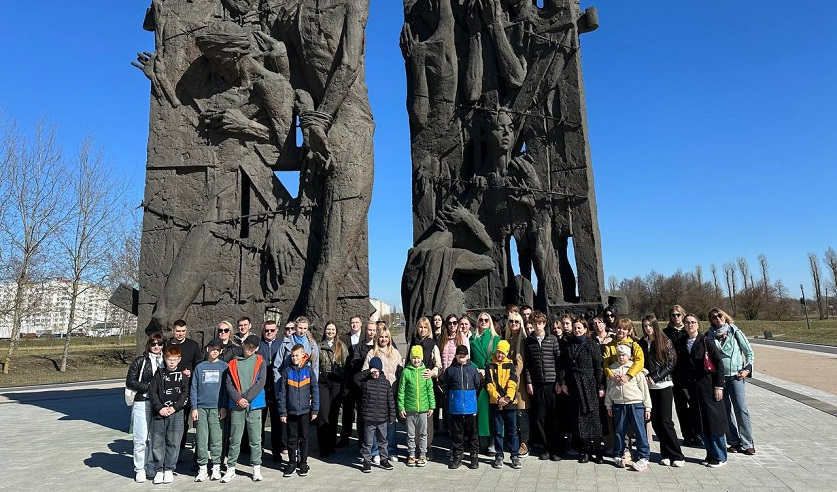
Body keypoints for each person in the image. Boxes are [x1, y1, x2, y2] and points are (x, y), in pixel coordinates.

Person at [675, 314, 728, 468]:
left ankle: (720, 456)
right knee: (701, 422)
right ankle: (710, 453)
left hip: (708, 386)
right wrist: (684, 387)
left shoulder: (706, 341)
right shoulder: (683, 343)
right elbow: (682, 367)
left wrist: (719, 386)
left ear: (698, 325)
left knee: (714, 421)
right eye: (687, 323)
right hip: (693, 388)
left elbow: (719, 364)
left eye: (693, 322)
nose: (690, 325)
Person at [708, 307, 756, 456]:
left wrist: (747, 369)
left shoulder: (735, 332)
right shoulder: (709, 335)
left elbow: (749, 352)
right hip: (719, 378)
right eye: (713, 317)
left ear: (725, 316)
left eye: (719, 315)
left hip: (736, 376)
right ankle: (733, 441)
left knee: (741, 409)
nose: (717, 319)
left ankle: (748, 443)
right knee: (725, 411)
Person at [638, 315, 684, 467]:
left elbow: (671, 363)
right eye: (645, 326)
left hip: (663, 385)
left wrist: (654, 377)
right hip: (649, 387)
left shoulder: (665, 341)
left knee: (665, 421)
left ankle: (677, 455)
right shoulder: (642, 342)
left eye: (650, 325)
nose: (648, 328)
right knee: (656, 422)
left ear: (655, 326)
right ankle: (666, 453)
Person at [558, 318, 604, 464]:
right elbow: (563, 366)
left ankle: (598, 451)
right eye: (575, 328)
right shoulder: (568, 346)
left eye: (579, 328)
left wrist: (600, 386)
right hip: (574, 385)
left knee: (593, 419)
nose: (577, 330)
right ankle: (586, 451)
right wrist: (562, 382)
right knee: (580, 420)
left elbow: (598, 367)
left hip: (589, 384)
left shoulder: (592, 345)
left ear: (585, 329)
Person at [222, 335, 267, 483]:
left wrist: (246, 398)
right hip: (237, 405)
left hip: (254, 405)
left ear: (257, 348)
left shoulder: (260, 361)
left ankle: (256, 468)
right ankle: (231, 469)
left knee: (255, 439)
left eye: (253, 347)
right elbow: (229, 384)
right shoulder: (233, 363)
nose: (250, 349)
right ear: (243, 345)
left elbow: (261, 382)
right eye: (248, 345)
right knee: (234, 438)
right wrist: (238, 399)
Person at [605, 344, 652, 472]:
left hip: (635, 403)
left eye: (624, 355)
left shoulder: (635, 370)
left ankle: (644, 456)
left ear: (629, 356)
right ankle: (619, 453)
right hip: (618, 404)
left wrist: (648, 407)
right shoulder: (612, 369)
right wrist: (608, 404)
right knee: (620, 431)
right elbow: (609, 388)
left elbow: (644, 390)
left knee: (639, 430)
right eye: (619, 355)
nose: (621, 357)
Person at [523, 310, 563, 461]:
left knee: (554, 417)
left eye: (540, 323)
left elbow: (559, 361)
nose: (537, 326)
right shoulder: (529, 341)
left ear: (544, 324)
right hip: (538, 384)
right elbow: (527, 364)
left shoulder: (552, 339)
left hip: (552, 383)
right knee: (540, 417)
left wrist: (559, 381)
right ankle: (546, 448)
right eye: (535, 324)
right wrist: (529, 382)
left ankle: (555, 449)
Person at [126, 332, 164, 482]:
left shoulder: (165, 360)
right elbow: (130, 381)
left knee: (154, 438)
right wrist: (149, 388)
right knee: (141, 438)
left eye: (159, 343)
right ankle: (140, 468)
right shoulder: (141, 361)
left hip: (158, 403)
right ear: (149, 345)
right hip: (142, 401)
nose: (156, 346)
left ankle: (151, 466)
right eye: (153, 344)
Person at [149, 345, 189, 484]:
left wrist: (175, 408)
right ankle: (159, 469)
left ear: (179, 360)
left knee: (173, 441)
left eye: (174, 359)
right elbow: (152, 392)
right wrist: (159, 408)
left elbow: (185, 394)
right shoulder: (159, 374)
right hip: (159, 413)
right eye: (169, 359)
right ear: (165, 359)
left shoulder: (183, 376)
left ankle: (169, 469)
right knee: (158, 442)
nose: (171, 362)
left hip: (176, 413)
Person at [278, 344, 320, 477]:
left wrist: (315, 409)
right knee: (292, 439)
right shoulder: (287, 371)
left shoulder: (308, 371)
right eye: (292, 355)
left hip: (305, 411)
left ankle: (303, 462)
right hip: (291, 412)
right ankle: (291, 463)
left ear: (303, 355)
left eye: (297, 355)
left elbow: (315, 390)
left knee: (304, 438)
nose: (294, 358)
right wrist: (282, 412)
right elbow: (282, 394)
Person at [363, 325, 404, 460]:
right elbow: (365, 371)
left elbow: (401, 371)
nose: (384, 339)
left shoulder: (395, 352)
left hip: (391, 391)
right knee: (376, 423)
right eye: (381, 337)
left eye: (386, 337)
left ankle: (391, 449)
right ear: (377, 338)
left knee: (391, 422)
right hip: (377, 393)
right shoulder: (372, 353)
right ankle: (375, 451)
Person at [191, 339, 229, 482]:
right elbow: (194, 389)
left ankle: (216, 466)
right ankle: (202, 467)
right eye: (212, 348)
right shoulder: (200, 367)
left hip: (217, 409)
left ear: (220, 351)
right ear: (207, 349)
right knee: (201, 439)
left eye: (217, 349)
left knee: (216, 439)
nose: (214, 351)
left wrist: (224, 407)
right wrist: (194, 408)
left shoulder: (224, 366)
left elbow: (226, 389)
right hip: (201, 408)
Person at [663, 304, 700, 447]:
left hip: (690, 373)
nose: (676, 317)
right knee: (681, 407)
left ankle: (697, 433)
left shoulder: (688, 331)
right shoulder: (666, 332)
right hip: (675, 374)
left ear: (683, 315)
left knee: (694, 405)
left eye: (678, 314)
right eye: (673, 315)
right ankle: (687, 435)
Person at [407, 317, 442, 458]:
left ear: (429, 329)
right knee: (413, 418)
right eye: (420, 327)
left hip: (426, 384)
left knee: (427, 419)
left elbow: (438, 364)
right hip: (412, 385)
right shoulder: (413, 343)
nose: (422, 330)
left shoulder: (432, 345)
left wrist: (433, 372)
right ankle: (416, 446)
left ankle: (427, 446)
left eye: (425, 327)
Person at [485, 340, 522, 469]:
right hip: (496, 403)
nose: (500, 355)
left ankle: (514, 456)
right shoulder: (490, 366)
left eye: (502, 353)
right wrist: (497, 398)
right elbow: (489, 385)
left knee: (512, 431)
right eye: (498, 352)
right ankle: (499, 455)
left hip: (510, 403)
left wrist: (507, 397)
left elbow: (513, 382)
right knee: (498, 431)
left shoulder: (510, 365)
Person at [355, 357, 396, 473]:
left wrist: (392, 416)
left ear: (381, 370)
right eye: (373, 371)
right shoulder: (366, 382)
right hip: (369, 418)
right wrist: (368, 372)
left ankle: (384, 459)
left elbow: (390, 401)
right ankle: (367, 461)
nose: (375, 373)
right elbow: (356, 378)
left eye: (377, 371)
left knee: (383, 441)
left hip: (382, 418)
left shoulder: (386, 383)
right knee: (368, 442)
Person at [444, 345, 481, 470]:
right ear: (455, 355)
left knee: (473, 434)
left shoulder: (473, 370)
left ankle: (474, 456)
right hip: (456, 407)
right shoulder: (450, 371)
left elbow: (477, 385)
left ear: (467, 356)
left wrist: (471, 399)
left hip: (470, 407)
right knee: (457, 434)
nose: (462, 356)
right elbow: (446, 387)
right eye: (459, 354)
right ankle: (457, 456)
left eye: (464, 354)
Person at [397, 345, 436, 467]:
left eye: (418, 358)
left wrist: (432, 406)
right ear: (410, 358)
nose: (416, 360)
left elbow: (430, 390)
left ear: (422, 358)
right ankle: (411, 454)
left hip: (423, 409)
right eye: (414, 358)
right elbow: (401, 391)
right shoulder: (406, 372)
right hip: (410, 409)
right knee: (410, 434)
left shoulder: (425, 372)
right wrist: (401, 407)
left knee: (423, 433)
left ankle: (422, 454)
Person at [470, 311, 500, 454]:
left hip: (493, 378)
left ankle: (494, 442)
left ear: (490, 323)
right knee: (481, 411)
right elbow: (469, 358)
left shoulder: (496, 339)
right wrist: (477, 369)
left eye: (486, 320)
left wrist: (486, 370)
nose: (483, 322)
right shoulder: (472, 339)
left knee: (494, 410)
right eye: (481, 320)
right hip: (479, 379)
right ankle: (483, 441)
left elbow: (499, 358)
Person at [317, 321, 348, 458]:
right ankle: (323, 446)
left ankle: (331, 444)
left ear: (336, 332)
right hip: (323, 381)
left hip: (336, 381)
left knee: (334, 414)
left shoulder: (341, 346)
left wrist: (345, 385)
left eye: (333, 330)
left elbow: (346, 366)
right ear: (324, 331)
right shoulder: (318, 346)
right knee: (323, 414)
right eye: (328, 329)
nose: (330, 332)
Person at [437, 314, 469, 434]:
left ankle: (459, 435)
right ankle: (451, 433)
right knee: (448, 407)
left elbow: (467, 358)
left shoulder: (463, 339)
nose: (452, 325)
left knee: (458, 408)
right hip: (445, 377)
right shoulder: (443, 338)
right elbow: (440, 357)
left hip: (457, 377)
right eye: (450, 323)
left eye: (454, 323)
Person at [504, 312, 530, 458]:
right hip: (507, 380)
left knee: (522, 413)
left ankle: (525, 442)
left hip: (518, 382)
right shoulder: (507, 339)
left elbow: (520, 363)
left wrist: (513, 380)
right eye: (511, 321)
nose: (513, 324)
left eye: (516, 322)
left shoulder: (523, 340)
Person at [258, 320, 283, 462]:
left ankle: (276, 451)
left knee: (276, 422)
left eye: (272, 330)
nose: (269, 333)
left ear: (276, 330)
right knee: (259, 422)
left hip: (276, 388)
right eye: (266, 330)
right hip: (261, 389)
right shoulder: (259, 345)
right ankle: (258, 449)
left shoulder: (281, 344)